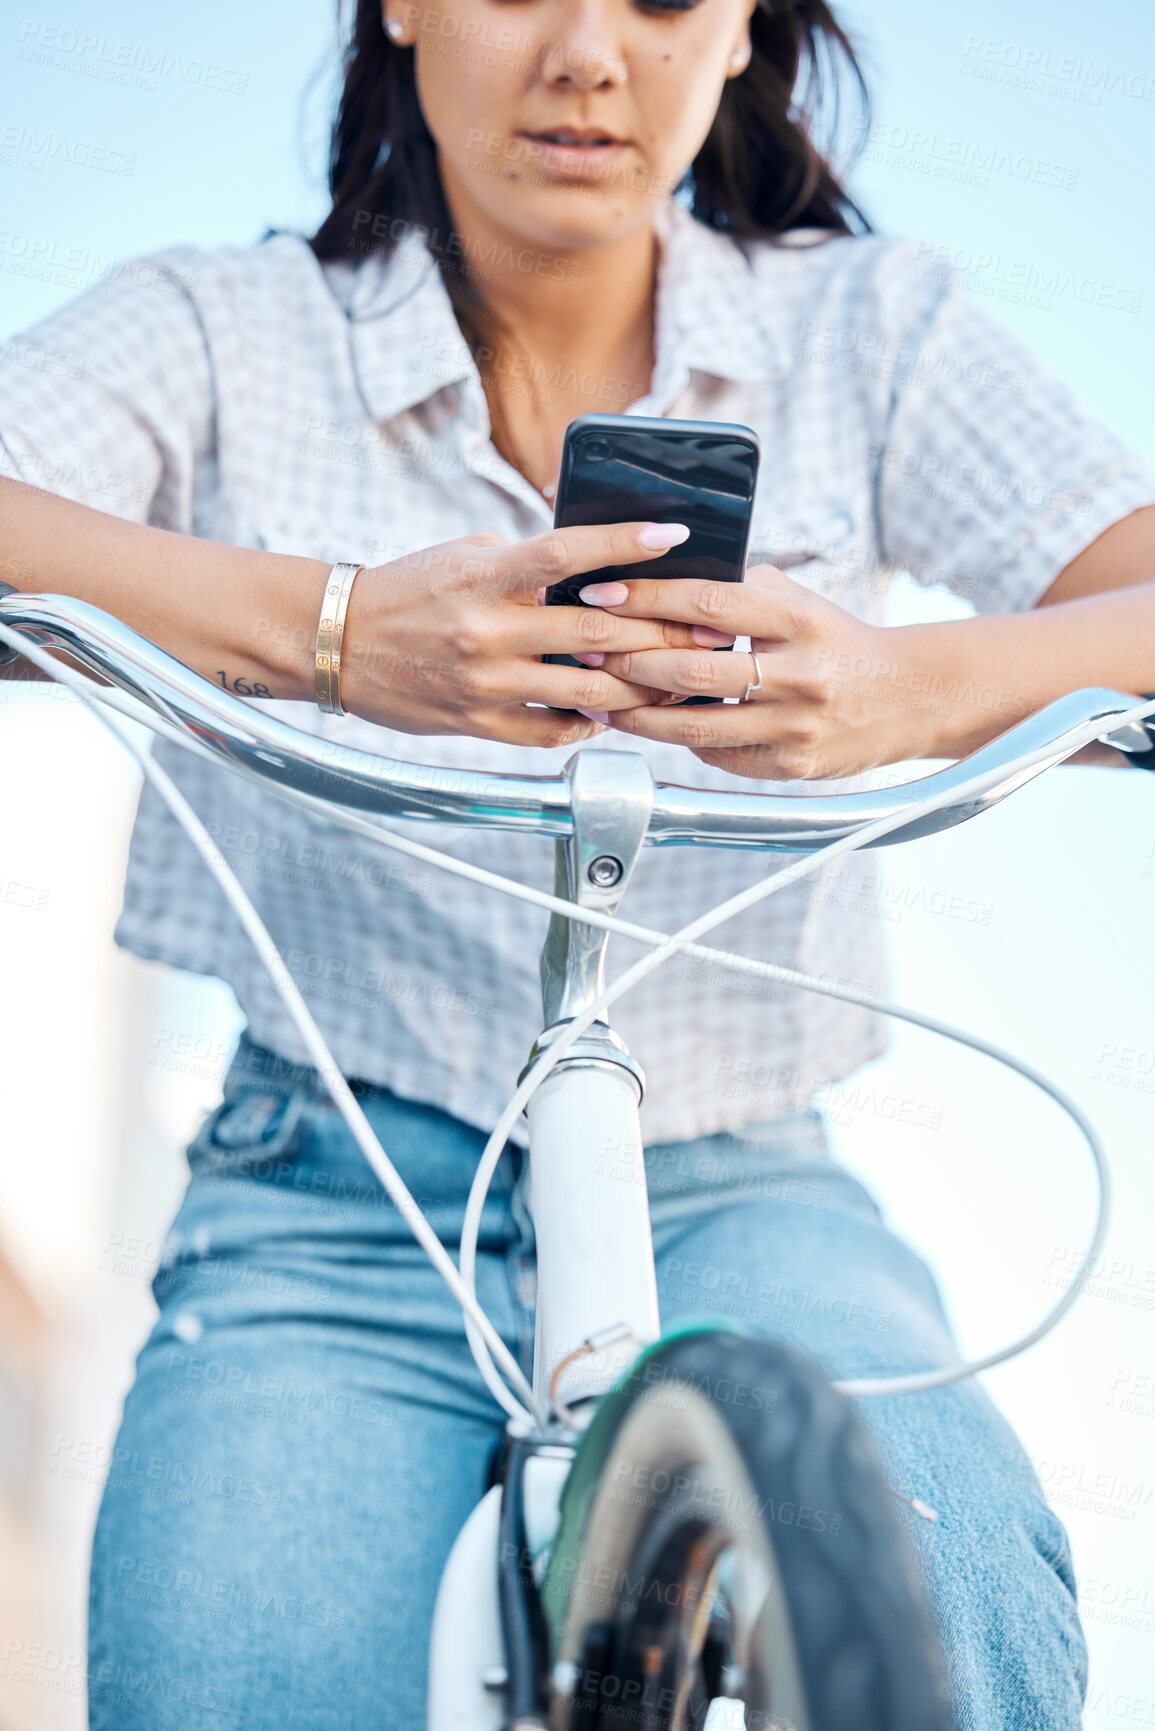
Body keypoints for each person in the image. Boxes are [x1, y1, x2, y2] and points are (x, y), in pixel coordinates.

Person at [2, 0, 1153, 1724]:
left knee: (953, 1572)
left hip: (739, 1163)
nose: (592, 55)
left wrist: (907, 691)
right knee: (231, 1677)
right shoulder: (222, 327)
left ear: (743, 27)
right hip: (326, 1185)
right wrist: (332, 636)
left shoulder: (870, 328)